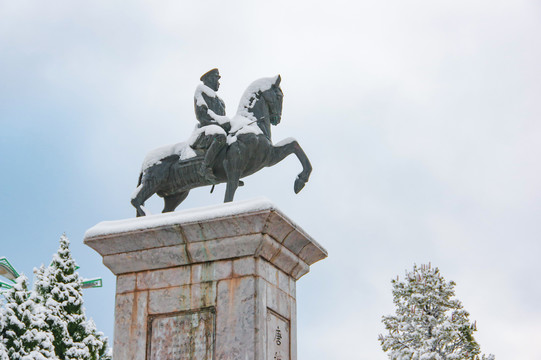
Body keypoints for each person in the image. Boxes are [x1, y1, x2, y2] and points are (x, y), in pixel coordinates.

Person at [191, 68, 231, 183]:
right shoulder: (201, 91)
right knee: (220, 137)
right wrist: (219, 122)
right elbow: (202, 115)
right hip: (206, 130)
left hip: (218, 129)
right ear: (208, 79)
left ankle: (231, 172)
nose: (218, 82)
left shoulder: (221, 101)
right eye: (216, 78)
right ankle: (205, 167)